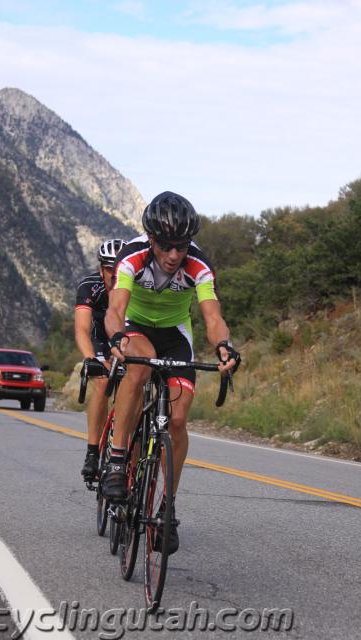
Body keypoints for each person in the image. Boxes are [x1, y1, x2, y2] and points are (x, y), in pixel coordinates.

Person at [103, 191, 240, 554]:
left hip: (176, 336)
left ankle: (167, 507)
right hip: (136, 329)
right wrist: (116, 337)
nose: (174, 254)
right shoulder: (131, 257)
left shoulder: (198, 265)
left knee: (177, 421)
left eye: (181, 245)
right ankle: (117, 460)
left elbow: (212, 316)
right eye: (165, 245)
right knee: (140, 367)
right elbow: (115, 309)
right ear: (151, 239)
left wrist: (223, 345)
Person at [75, 238, 127, 482]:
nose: (114, 276)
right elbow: (82, 329)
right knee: (104, 381)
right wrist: (90, 359)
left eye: (119, 270)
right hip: (99, 339)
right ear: (100, 269)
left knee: (136, 384)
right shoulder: (90, 286)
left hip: (126, 339)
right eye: (109, 270)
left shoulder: (136, 286)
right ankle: (93, 451)